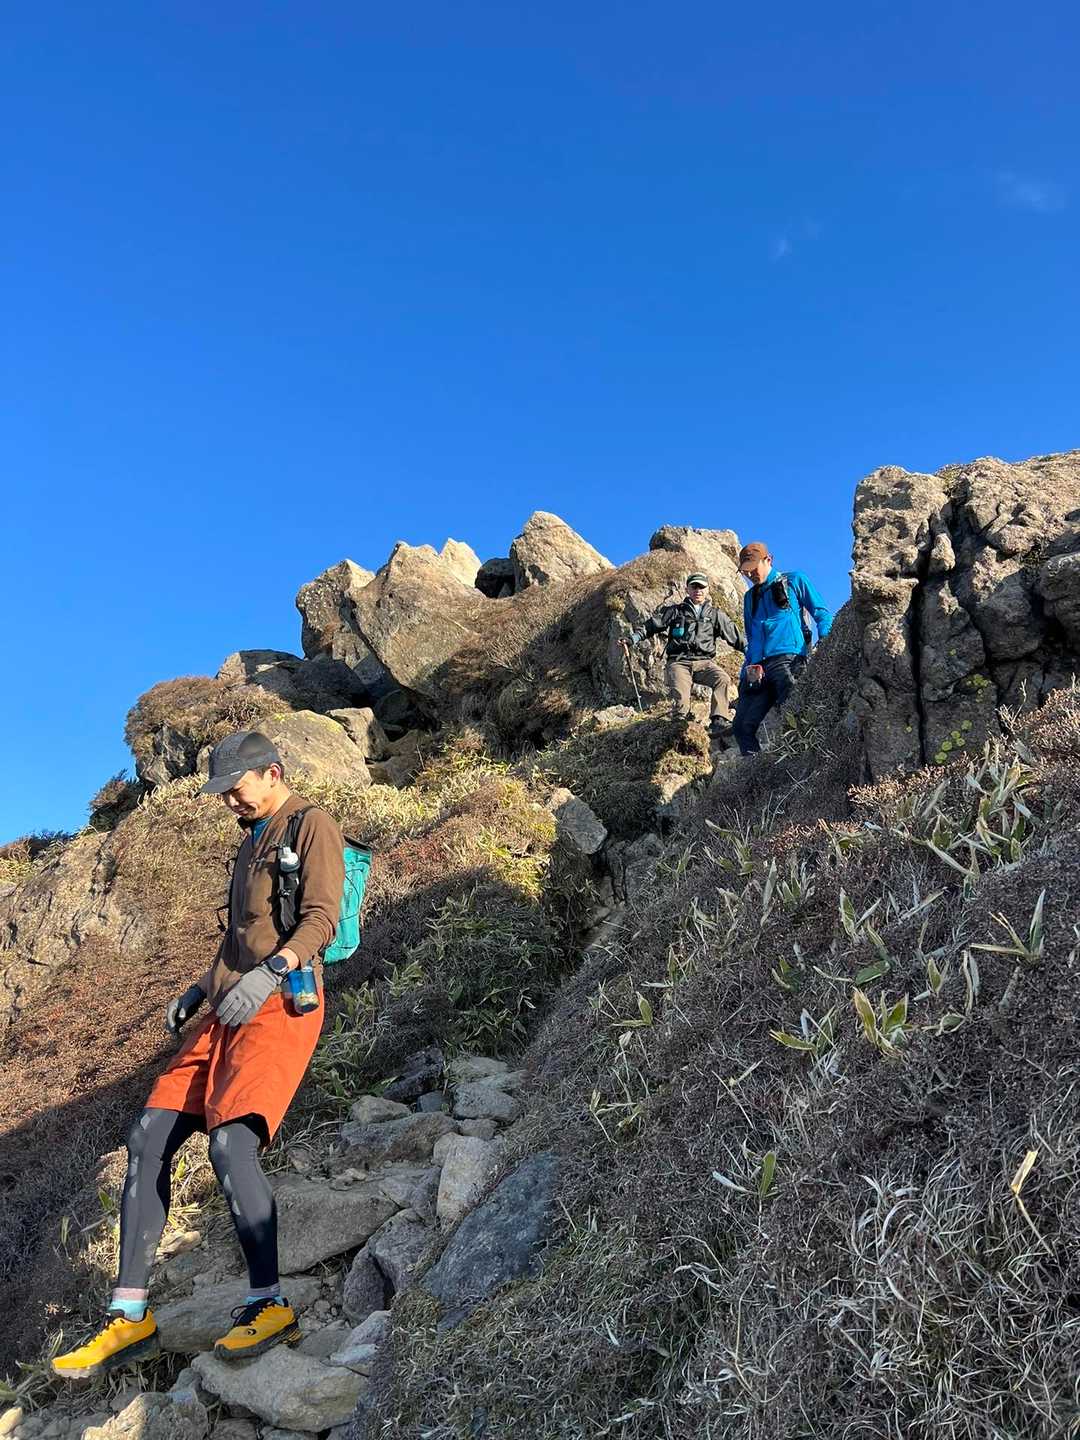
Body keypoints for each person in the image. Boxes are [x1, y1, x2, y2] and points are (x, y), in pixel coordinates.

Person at [52, 732, 345, 1379]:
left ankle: (269, 1304)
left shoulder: (311, 824)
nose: (229, 801)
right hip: (228, 1003)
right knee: (149, 1134)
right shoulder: (249, 840)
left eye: (236, 789)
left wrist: (271, 973)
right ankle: (129, 1317)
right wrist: (199, 989)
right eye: (223, 793)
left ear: (272, 773)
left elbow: (322, 918)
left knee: (231, 1144)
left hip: (283, 1001)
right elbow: (238, 937)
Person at [732, 542, 832, 756]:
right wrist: (744, 674)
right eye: (746, 571)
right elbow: (751, 636)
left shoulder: (794, 580)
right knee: (741, 727)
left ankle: (803, 763)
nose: (750, 574)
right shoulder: (749, 598)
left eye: (753, 568)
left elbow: (821, 612)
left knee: (797, 716)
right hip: (757, 669)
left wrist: (826, 640)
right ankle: (754, 770)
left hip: (788, 660)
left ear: (768, 560)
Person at [631, 572, 742, 737]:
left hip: (704, 662)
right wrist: (633, 638)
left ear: (708, 589)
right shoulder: (675, 611)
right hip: (679, 662)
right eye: (694, 587)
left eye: (702, 587)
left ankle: (718, 721)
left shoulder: (715, 615)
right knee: (681, 699)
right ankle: (680, 728)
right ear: (687, 589)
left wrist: (753, 651)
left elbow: (735, 637)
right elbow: (652, 625)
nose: (698, 590)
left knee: (722, 679)